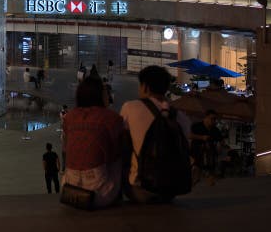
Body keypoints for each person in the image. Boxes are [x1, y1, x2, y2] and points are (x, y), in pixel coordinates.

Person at [120, 65, 191, 203]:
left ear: (145, 87)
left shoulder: (130, 107)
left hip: (139, 190)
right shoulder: (181, 117)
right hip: (170, 191)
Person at [62, 77, 124, 208]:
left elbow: (66, 149)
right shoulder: (112, 118)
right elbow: (116, 153)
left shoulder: (69, 117)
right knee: (121, 159)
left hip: (69, 189)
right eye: (106, 92)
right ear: (100, 95)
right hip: (98, 194)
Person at [190, 109, 223, 181]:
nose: (214, 121)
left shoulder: (215, 129)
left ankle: (207, 177)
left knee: (209, 175)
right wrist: (201, 137)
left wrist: (219, 145)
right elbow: (189, 135)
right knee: (196, 170)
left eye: (215, 119)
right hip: (197, 152)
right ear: (206, 117)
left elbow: (221, 140)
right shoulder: (197, 126)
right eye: (212, 118)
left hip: (210, 155)